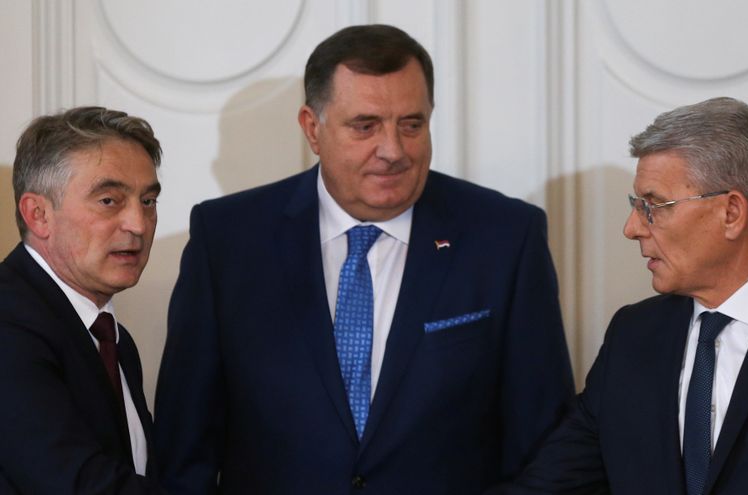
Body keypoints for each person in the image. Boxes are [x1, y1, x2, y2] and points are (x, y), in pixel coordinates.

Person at [154, 24, 573, 494]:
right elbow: (183, 448)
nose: (393, 151)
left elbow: (545, 447)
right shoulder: (228, 239)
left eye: (412, 124)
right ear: (313, 129)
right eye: (365, 126)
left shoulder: (505, 237)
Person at [493, 97, 748, 495]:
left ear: (731, 213)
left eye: (654, 205)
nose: (632, 227)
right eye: (635, 205)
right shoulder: (633, 335)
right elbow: (550, 485)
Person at [0, 107, 165, 493]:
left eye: (148, 201)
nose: (138, 225)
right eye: (109, 200)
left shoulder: (113, 337)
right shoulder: (7, 323)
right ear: (38, 214)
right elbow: (77, 484)